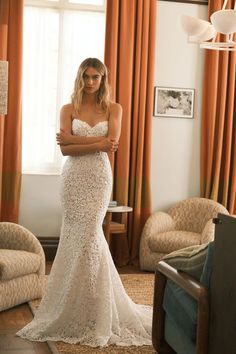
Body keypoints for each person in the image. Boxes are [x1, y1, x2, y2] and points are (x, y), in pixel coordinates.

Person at [17, 58, 152, 347]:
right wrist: (94, 144)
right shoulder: (68, 109)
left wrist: (76, 141)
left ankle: (96, 307)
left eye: (96, 77)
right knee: (74, 239)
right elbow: (65, 151)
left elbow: (110, 145)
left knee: (92, 237)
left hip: (99, 179)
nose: (91, 82)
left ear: (104, 79)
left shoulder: (114, 108)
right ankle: (70, 306)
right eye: (86, 76)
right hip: (73, 180)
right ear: (80, 78)